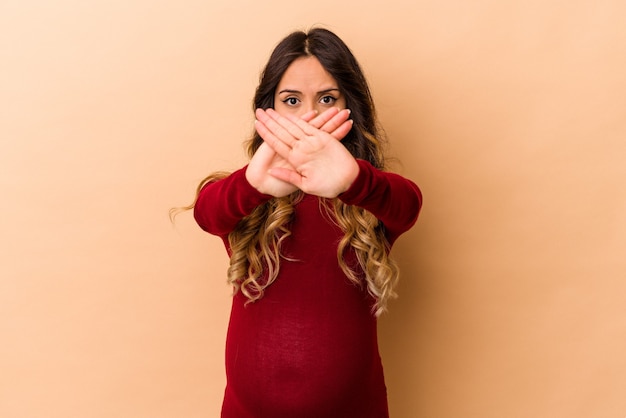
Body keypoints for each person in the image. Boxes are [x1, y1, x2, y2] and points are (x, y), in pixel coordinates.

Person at [179, 27, 422, 418]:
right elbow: (207, 214)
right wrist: (254, 184)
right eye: (291, 100)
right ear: (268, 110)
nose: (309, 116)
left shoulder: (367, 194)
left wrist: (353, 182)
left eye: (327, 99)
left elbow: (408, 205)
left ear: (350, 108)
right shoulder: (249, 193)